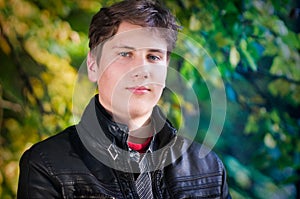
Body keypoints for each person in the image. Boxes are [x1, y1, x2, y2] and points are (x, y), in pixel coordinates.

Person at [17, 0, 231, 198]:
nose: (141, 70)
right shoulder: (47, 166)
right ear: (93, 65)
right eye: (124, 54)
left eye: (153, 57)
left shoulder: (209, 169)